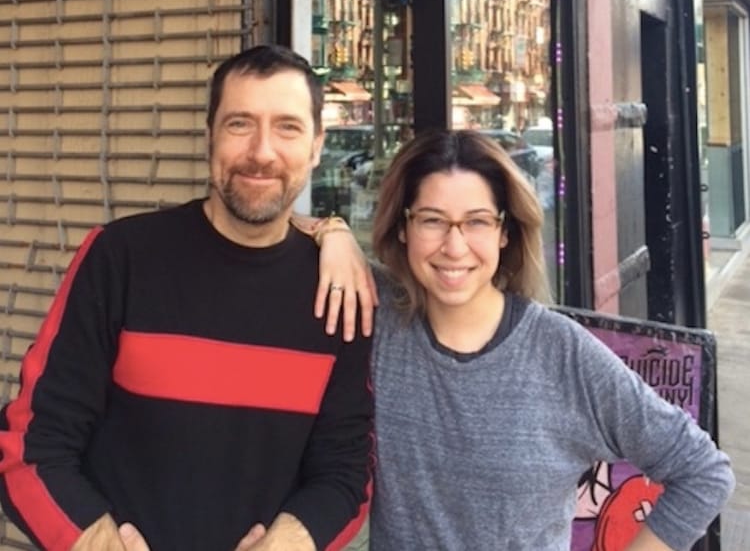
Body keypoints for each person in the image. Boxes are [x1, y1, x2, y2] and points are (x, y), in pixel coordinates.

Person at [0, 45, 375, 551]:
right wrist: (96, 541)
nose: (262, 152)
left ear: (316, 147)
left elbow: (346, 472)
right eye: (240, 123)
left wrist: (291, 541)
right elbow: (31, 444)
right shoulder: (122, 257)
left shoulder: (339, 293)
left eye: (287, 127)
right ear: (210, 137)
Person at [365, 129, 734, 550]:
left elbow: (703, 472)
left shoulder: (561, 353)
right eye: (432, 220)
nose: (454, 245)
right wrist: (332, 233)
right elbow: (279, 230)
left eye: (477, 221)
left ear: (505, 232)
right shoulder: (379, 320)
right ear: (402, 228)